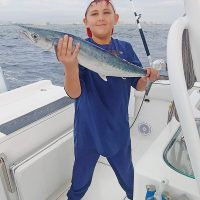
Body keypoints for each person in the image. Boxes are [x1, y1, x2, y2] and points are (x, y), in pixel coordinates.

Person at [56, 0, 159, 199]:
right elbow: (74, 93)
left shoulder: (126, 48)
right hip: (87, 131)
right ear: (86, 21)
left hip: (118, 129)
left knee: (128, 179)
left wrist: (147, 78)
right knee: (79, 181)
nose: (101, 17)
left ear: (116, 19)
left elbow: (137, 83)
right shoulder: (78, 50)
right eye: (94, 14)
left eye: (106, 12)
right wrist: (70, 66)